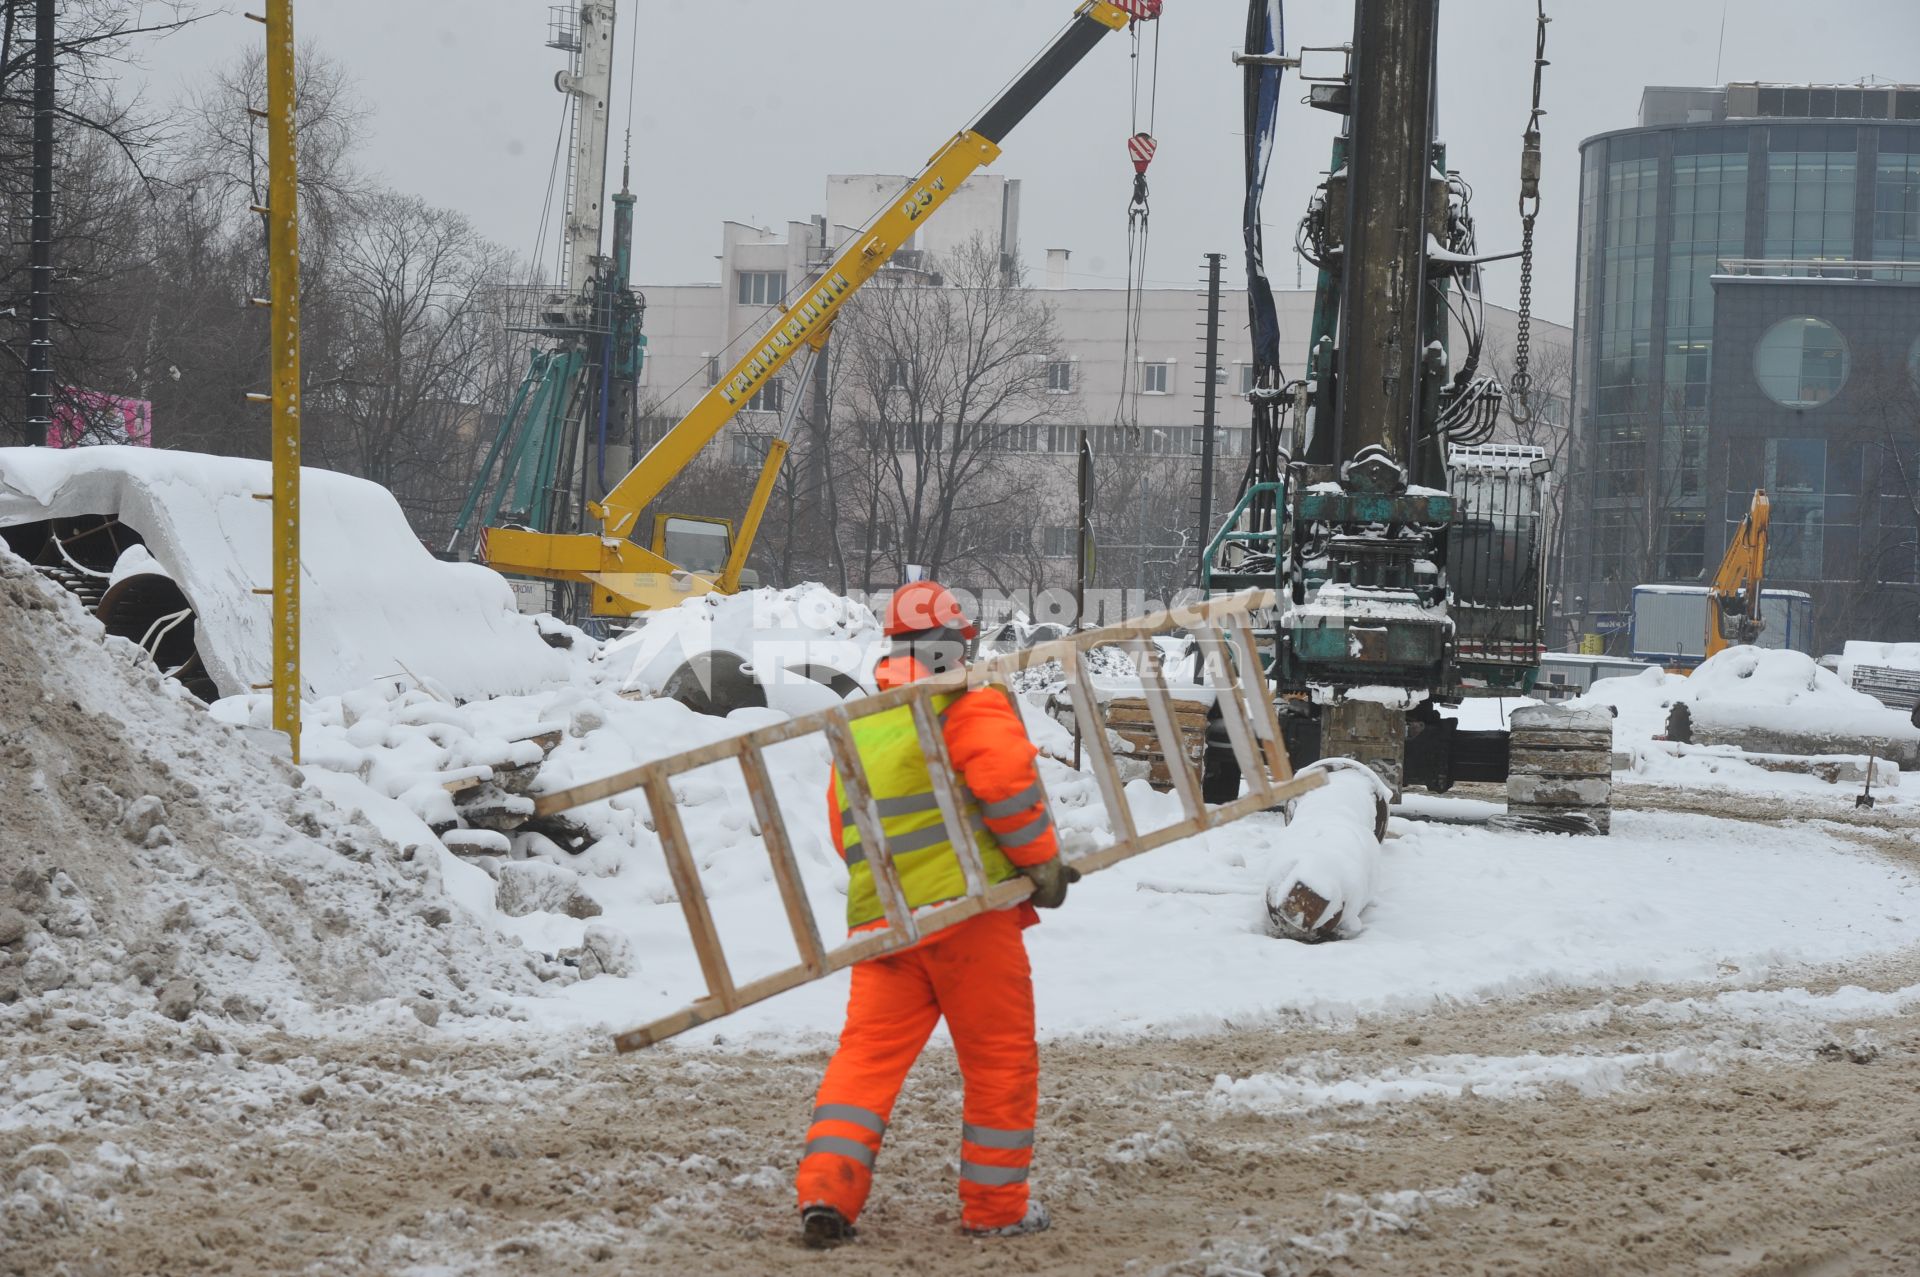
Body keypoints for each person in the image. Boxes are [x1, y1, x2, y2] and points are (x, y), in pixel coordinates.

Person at [795, 579, 1078, 1248]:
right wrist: (1040, 863)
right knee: (999, 1060)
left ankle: (825, 1193)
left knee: (865, 1059)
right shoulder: (964, 700)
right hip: (966, 916)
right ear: (953, 645)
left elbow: (846, 833)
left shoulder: (863, 721)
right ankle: (995, 1205)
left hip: (884, 922)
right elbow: (1006, 784)